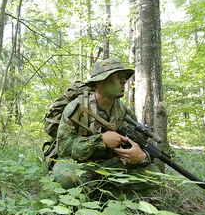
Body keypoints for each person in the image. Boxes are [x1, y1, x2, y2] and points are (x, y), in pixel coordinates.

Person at [52, 58, 161, 200]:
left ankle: (103, 198)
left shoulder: (123, 112)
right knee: (66, 177)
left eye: (124, 78)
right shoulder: (77, 108)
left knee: (154, 176)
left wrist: (142, 158)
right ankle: (85, 197)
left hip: (112, 165)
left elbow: (140, 143)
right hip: (82, 165)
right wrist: (100, 140)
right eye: (117, 77)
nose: (123, 82)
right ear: (99, 82)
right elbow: (64, 148)